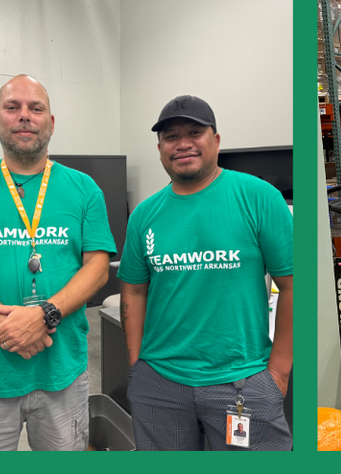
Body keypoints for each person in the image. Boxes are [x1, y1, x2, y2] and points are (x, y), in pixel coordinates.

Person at [0, 74, 114, 451]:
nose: (24, 116)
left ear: (51, 122)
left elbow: (97, 266)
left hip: (61, 371)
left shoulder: (84, 189)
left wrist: (44, 315)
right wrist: (10, 326)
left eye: (36, 108)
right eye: (13, 108)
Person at [120, 96, 294, 451]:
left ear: (216, 140)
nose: (182, 144)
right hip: (159, 383)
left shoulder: (260, 198)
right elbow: (134, 292)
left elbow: (293, 286)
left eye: (195, 132)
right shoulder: (144, 215)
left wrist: (277, 372)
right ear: (159, 148)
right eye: (171, 136)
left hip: (242, 380)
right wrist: (137, 366)